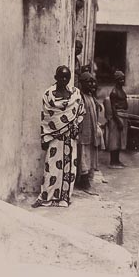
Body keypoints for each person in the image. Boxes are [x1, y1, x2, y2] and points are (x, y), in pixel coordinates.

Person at [32, 66, 85, 208]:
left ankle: (64, 198)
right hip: (54, 138)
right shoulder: (49, 95)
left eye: (66, 77)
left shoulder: (75, 94)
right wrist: (44, 136)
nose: (64, 79)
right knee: (51, 168)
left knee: (69, 168)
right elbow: (46, 117)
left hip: (69, 137)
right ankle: (46, 197)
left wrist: (76, 128)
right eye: (61, 77)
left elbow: (80, 112)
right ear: (55, 77)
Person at [76, 72, 101, 192]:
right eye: (88, 82)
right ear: (82, 83)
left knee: (89, 155)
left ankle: (87, 180)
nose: (91, 84)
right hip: (83, 133)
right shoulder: (80, 96)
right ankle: (83, 182)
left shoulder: (90, 96)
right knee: (83, 156)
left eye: (92, 82)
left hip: (91, 132)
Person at [107, 70, 128, 168]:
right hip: (117, 117)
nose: (123, 81)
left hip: (122, 116)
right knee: (114, 140)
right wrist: (118, 121)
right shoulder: (114, 92)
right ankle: (113, 161)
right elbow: (113, 108)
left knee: (119, 140)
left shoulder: (121, 90)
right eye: (120, 79)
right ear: (117, 80)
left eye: (123, 79)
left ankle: (117, 160)